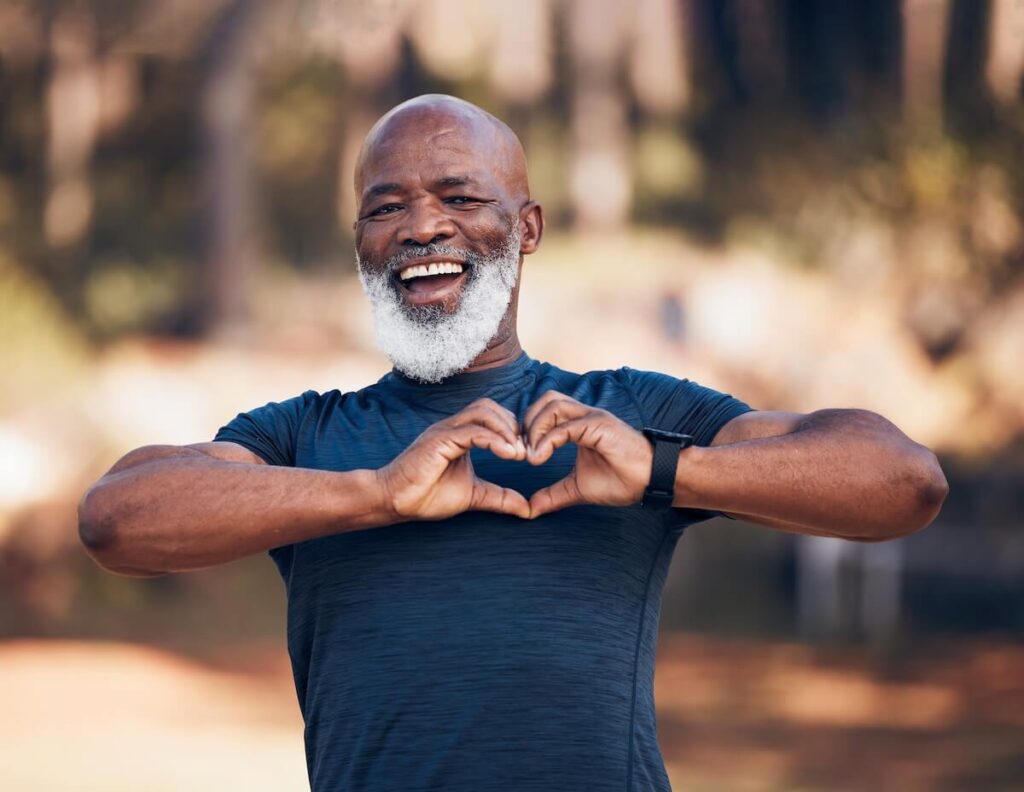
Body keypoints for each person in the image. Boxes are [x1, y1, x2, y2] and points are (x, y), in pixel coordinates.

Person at [78, 95, 948, 791]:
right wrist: (375, 493)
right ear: (361, 244)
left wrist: (670, 470)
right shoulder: (304, 434)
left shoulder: (627, 412)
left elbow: (902, 482)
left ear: (526, 229)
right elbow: (118, 521)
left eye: (459, 197)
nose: (422, 227)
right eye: (388, 207)